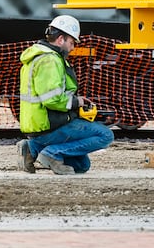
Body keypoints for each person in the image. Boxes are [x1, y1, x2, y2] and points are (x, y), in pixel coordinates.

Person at [17, 15, 114, 175]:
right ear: (61, 39)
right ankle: (51, 153)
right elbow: (52, 99)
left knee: (82, 166)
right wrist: (77, 102)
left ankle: (32, 148)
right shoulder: (50, 60)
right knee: (105, 135)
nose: (73, 47)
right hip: (49, 124)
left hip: (38, 125)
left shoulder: (37, 57)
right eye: (72, 42)